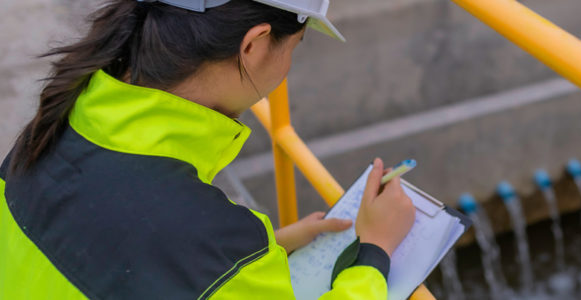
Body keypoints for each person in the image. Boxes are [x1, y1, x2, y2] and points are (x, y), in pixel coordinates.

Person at [0, 0, 415, 299]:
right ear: (253, 44)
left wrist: (270, 248)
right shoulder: (218, 248)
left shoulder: (53, 127)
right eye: (296, 45)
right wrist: (375, 252)